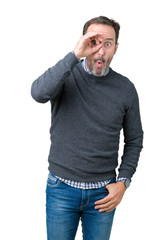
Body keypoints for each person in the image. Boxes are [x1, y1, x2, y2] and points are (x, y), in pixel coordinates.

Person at [31, 16, 143, 239]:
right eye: (94, 42)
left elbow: (134, 140)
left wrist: (123, 182)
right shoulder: (65, 75)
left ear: (116, 48)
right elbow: (38, 93)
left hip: (104, 193)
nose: (100, 52)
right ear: (83, 43)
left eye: (107, 44)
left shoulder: (125, 88)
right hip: (61, 189)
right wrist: (74, 55)